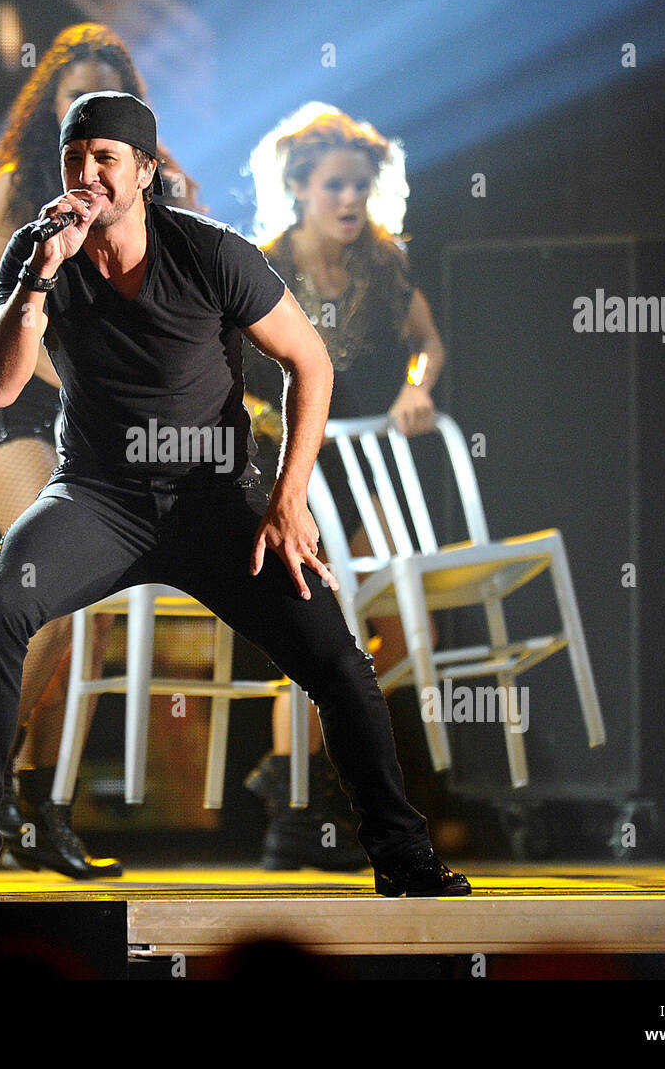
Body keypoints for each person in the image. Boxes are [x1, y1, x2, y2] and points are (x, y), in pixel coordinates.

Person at [0, 91, 470, 901]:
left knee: (338, 659)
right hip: (96, 499)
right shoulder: (41, 256)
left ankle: (402, 853)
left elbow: (308, 363)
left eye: (107, 159)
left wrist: (287, 499)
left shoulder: (213, 251)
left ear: (144, 172)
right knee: (2, 605)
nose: (88, 174)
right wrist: (35, 283)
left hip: (217, 499)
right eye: (78, 159)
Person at [0, 24, 197, 878]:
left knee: (86, 621)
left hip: (113, 423)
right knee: (46, 598)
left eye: (104, 104)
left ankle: (41, 809)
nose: (87, 128)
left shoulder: (160, 193)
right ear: (50, 112)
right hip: (24, 411)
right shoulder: (16, 191)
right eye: (71, 100)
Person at [240, 105, 447, 871]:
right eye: (335, 186)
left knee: (392, 611)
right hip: (286, 463)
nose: (351, 200)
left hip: (363, 460)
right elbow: (216, 360)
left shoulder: (385, 262)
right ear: (299, 188)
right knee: (315, 627)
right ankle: (300, 800)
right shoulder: (262, 262)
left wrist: (413, 391)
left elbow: (426, 342)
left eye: (360, 185)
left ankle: (315, 780)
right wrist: (261, 412)